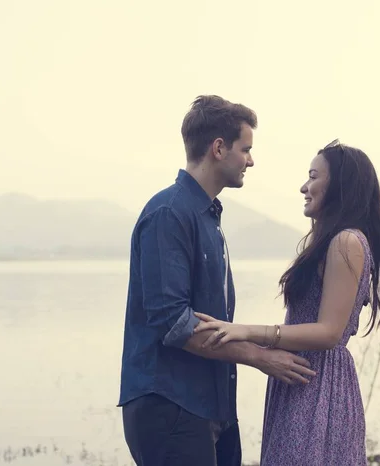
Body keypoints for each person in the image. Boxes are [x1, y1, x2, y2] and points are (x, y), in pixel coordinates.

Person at [117, 95, 316, 466]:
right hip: (170, 405)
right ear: (219, 148)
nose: (251, 160)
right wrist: (259, 356)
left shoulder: (207, 216)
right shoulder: (169, 213)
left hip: (213, 406)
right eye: (246, 149)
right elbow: (173, 322)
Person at [193, 139, 380, 465]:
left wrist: (245, 331)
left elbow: (329, 332)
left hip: (319, 387)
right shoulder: (327, 242)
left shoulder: (346, 242)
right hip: (300, 380)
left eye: (314, 176)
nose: (304, 186)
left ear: (340, 185)